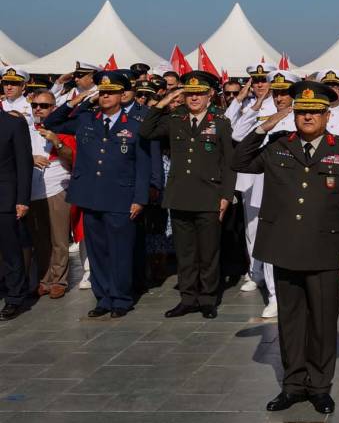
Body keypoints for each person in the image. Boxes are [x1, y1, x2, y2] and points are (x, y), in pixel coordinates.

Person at [232, 80, 339, 414]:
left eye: (314, 112)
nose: (307, 117)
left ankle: (320, 386)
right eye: (301, 111)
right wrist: (269, 122)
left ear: (326, 114)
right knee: (290, 322)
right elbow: (239, 159)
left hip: (326, 249)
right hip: (285, 247)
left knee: (322, 321)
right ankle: (292, 385)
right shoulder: (278, 145)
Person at [44, 71, 151, 318]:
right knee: (97, 251)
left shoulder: (135, 124)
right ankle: (102, 297)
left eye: (110, 92)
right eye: (102, 93)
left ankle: (121, 298)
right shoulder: (86, 120)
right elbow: (52, 122)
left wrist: (140, 198)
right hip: (90, 196)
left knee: (120, 251)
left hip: (121, 197)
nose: (105, 97)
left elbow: (143, 165)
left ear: (122, 96)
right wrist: (77, 100)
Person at [140, 71, 236, 319]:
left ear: (209, 95)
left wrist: (226, 195)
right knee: (185, 252)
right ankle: (187, 298)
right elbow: (146, 131)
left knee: (208, 252)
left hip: (209, 196)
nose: (194, 98)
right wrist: (164, 101)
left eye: (199, 94)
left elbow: (228, 162)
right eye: (189, 94)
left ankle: (207, 299)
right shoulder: (175, 118)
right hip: (180, 195)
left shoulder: (220, 122)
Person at [232, 69, 299, 318]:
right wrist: (262, 114)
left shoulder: (302, 114)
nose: (280, 98)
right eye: (277, 92)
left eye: (285, 93)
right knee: (267, 240)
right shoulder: (263, 111)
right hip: (263, 184)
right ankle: (273, 295)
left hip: (293, 187)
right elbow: (237, 135)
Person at [26, 91, 75, 299]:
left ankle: (59, 280)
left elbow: (72, 156)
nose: (39, 109)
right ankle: (43, 279)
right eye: (35, 105)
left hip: (56, 187)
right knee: (39, 239)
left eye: (44, 106)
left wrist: (57, 142)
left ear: (53, 108)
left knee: (59, 238)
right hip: (33, 190)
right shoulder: (26, 129)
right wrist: (31, 158)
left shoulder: (63, 129)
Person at [0, 98, 32, 320]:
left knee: (10, 251)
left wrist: (22, 199)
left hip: (5, 198)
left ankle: (15, 297)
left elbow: (23, 164)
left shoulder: (12, 123)